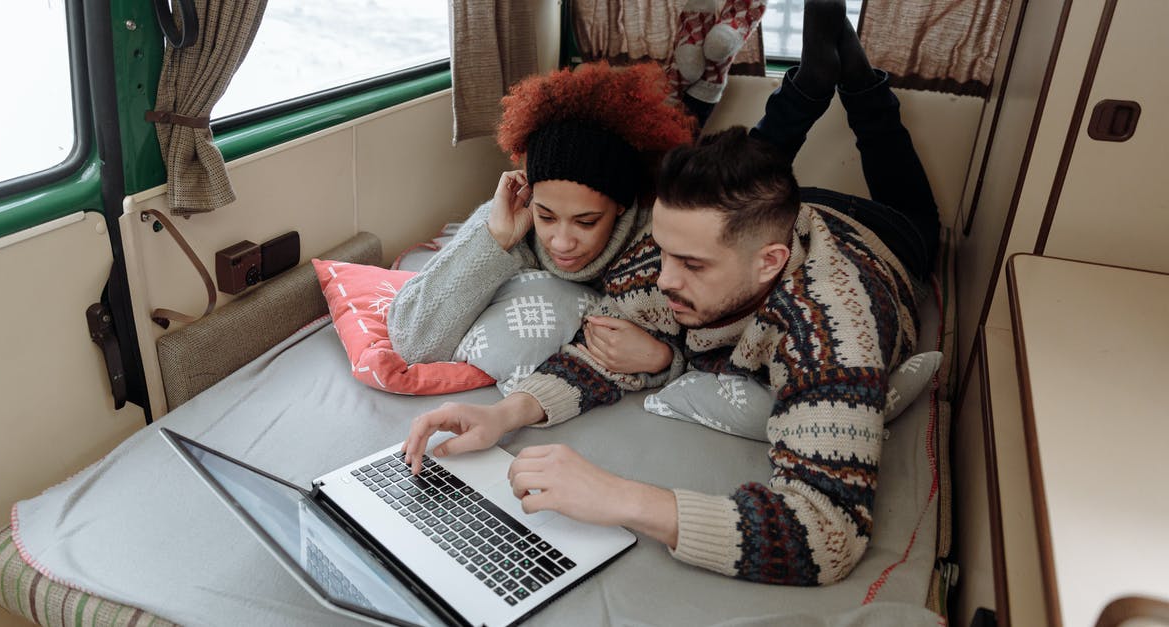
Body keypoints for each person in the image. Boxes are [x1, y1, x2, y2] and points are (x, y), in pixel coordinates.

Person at [401, 0, 940, 587]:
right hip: (784, 213)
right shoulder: (672, 257)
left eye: (690, 264)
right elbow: (598, 354)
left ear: (770, 265)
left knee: (907, 191)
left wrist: (623, 499)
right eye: (663, 251)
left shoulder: (831, 325)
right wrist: (503, 414)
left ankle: (856, 81)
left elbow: (827, 531)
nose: (661, 280)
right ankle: (815, 83)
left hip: (887, 238)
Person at [387, 62, 695, 376]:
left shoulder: (660, 239)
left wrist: (664, 359)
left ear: (620, 205)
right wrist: (495, 239)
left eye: (586, 222)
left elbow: (723, 343)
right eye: (546, 216)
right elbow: (412, 341)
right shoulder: (508, 221)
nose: (561, 243)